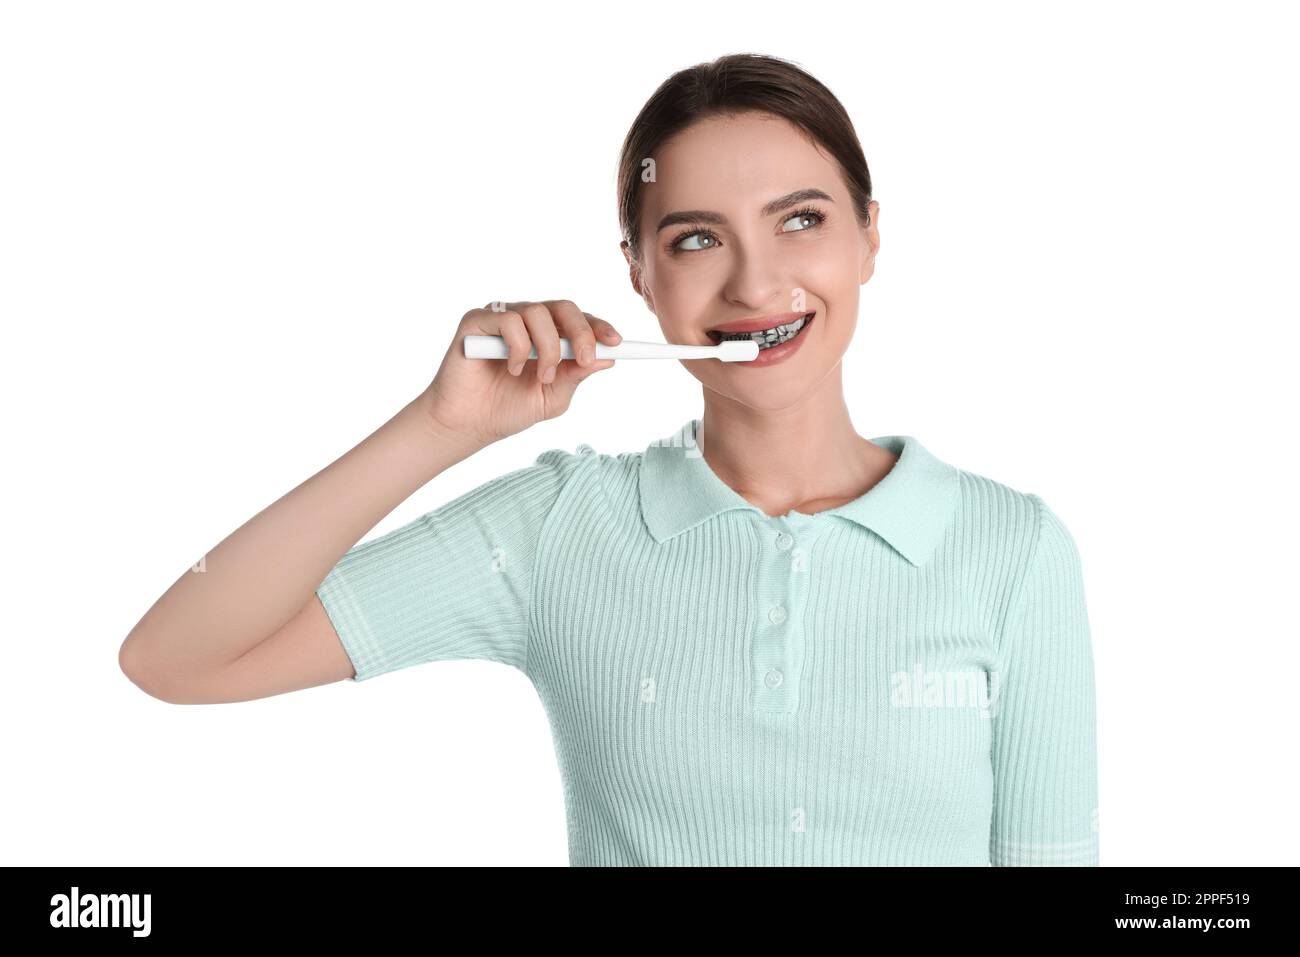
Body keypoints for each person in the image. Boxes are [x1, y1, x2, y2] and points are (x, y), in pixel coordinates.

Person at [120, 52, 1098, 867]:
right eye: (695, 238)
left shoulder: (1011, 549)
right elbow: (175, 659)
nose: (756, 280)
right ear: (637, 271)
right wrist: (442, 425)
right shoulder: (558, 528)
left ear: (869, 236)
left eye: (801, 220)